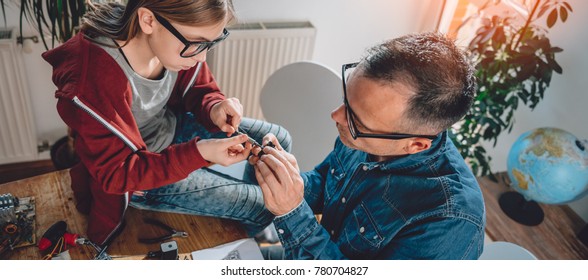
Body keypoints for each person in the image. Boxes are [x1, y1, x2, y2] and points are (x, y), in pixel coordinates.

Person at [42, 0, 291, 246]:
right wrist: (198, 154)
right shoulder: (92, 80)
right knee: (262, 206)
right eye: (196, 43)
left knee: (279, 136)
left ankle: (239, 211)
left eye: (211, 43)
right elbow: (116, 174)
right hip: (139, 175)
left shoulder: (169, 42)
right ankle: (240, 236)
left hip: (170, 128)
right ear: (148, 20)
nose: (203, 57)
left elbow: (199, 87)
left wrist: (214, 106)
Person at [249, 32, 485, 259]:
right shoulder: (366, 134)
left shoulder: (449, 222)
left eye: (356, 120)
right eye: (345, 99)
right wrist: (284, 177)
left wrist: (292, 212)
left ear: (415, 145)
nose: (336, 116)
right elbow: (326, 186)